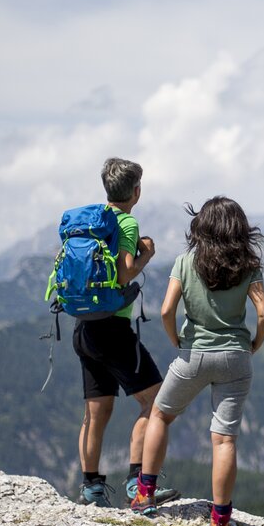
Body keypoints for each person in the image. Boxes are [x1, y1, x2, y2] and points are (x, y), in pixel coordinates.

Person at [131, 196, 264, 526]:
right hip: (236, 357)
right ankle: (219, 523)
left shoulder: (185, 261)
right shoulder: (248, 265)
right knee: (224, 439)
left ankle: (144, 496)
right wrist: (254, 344)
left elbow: (166, 310)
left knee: (161, 416)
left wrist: (176, 340)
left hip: (193, 354)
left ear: (201, 226)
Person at [72, 157, 180, 507]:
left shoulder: (89, 222)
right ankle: (138, 485)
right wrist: (146, 253)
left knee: (96, 411)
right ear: (136, 191)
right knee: (156, 401)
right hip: (113, 330)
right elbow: (123, 274)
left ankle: (91, 490)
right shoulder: (126, 223)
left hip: (83, 328)